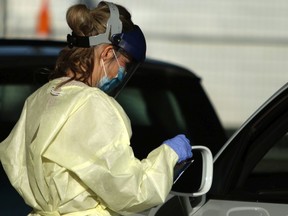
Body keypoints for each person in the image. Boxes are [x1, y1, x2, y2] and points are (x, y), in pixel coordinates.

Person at [0, 1, 192, 215]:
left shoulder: (39, 98)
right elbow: (131, 191)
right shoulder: (94, 106)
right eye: (125, 65)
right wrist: (169, 156)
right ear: (108, 53)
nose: (122, 74)